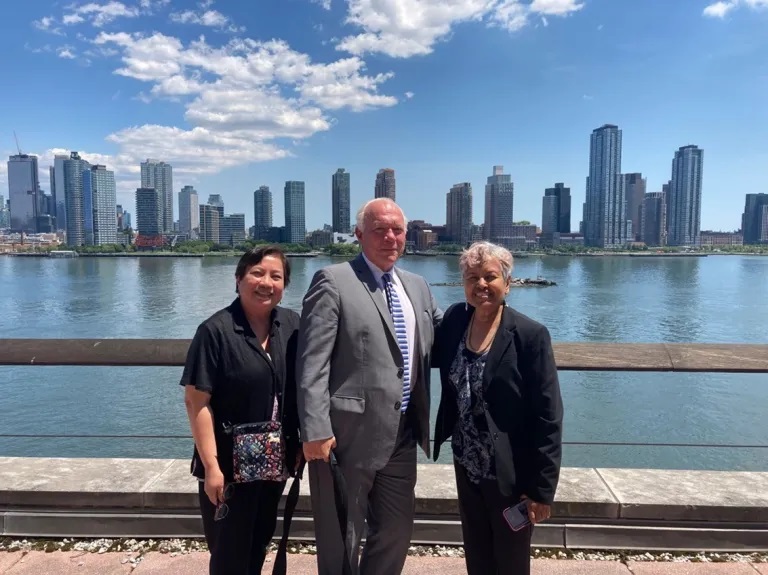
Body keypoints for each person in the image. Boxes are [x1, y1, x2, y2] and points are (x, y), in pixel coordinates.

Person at [296, 198, 443, 575]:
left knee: (396, 530)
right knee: (340, 533)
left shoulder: (419, 286)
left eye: (397, 230)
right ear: (360, 234)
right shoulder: (333, 280)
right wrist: (314, 430)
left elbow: (448, 337)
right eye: (380, 230)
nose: (390, 237)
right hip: (345, 436)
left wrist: (503, 325)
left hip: (404, 434)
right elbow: (312, 362)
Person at [433, 241, 563, 575]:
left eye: (490, 276)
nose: (481, 285)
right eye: (472, 277)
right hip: (466, 463)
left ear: (507, 282)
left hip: (510, 473)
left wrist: (541, 490)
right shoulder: (453, 322)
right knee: (477, 555)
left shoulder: (530, 335)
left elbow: (548, 415)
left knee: (511, 561)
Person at [181, 246, 301, 575]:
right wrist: (212, 467)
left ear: (284, 285)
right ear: (238, 279)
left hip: (275, 460)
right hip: (228, 465)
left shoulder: (291, 325)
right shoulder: (214, 331)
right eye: (257, 273)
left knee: (259, 542)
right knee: (229, 552)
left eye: (276, 276)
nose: (266, 282)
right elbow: (196, 402)